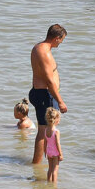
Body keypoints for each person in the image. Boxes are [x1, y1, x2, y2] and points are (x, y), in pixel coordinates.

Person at [30, 24, 67, 164]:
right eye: (62, 40)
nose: (61, 43)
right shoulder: (44, 53)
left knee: (44, 131)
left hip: (40, 93)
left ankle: (39, 164)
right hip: (45, 95)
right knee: (44, 132)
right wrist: (61, 101)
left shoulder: (38, 47)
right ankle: (37, 165)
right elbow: (49, 81)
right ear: (57, 38)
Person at [44, 108, 63, 182]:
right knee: (55, 170)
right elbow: (58, 143)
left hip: (49, 152)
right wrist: (61, 154)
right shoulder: (56, 131)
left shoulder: (46, 130)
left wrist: (45, 152)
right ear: (56, 120)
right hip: (55, 153)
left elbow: (45, 142)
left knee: (50, 169)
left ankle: (48, 182)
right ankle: (54, 186)